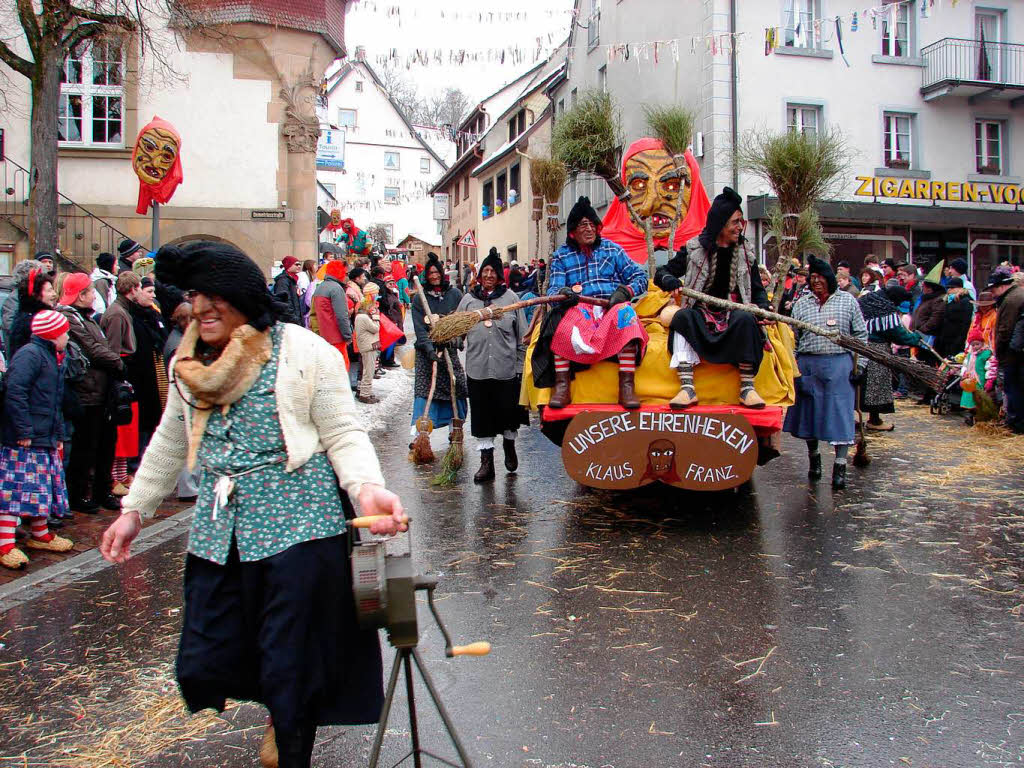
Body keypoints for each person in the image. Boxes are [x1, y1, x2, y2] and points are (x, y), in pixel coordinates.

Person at [99, 240, 406, 768]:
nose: (203, 308)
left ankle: (290, 735)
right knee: (205, 654)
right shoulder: (188, 363)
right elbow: (172, 438)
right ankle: (278, 706)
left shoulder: (303, 351)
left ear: (245, 297)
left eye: (216, 296)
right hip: (223, 530)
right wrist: (135, 510)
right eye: (196, 296)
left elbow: (342, 429)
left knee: (292, 661)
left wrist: (365, 488)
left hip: (300, 525)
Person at [655, 187, 768, 409]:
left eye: (741, 222)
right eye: (735, 222)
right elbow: (662, 272)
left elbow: (757, 288)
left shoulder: (746, 250)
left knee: (745, 319)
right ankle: (687, 388)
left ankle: (747, 388)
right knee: (683, 318)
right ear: (721, 224)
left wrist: (763, 307)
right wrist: (670, 280)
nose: (739, 227)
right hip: (701, 311)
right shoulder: (695, 248)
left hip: (734, 311)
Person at [536, 197, 648, 410]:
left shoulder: (612, 250)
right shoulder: (561, 256)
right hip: (579, 311)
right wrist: (564, 293)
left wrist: (625, 292)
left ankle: (626, 387)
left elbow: (639, 277)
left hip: (610, 308)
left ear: (598, 227)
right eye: (581, 225)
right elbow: (552, 291)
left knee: (626, 315)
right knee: (559, 323)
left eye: (591, 224)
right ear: (572, 232)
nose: (588, 229)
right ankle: (562, 385)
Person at [783, 257, 868, 490]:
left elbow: (861, 336)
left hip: (840, 365)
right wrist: (794, 364)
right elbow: (795, 338)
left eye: (820, 278)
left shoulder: (848, 301)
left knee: (840, 415)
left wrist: (860, 367)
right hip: (809, 365)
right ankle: (814, 460)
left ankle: (840, 467)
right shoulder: (802, 303)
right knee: (810, 414)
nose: (816, 282)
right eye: (812, 279)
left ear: (830, 279)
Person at [0, 310, 75, 569]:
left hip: (43, 434)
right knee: (15, 490)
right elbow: (15, 392)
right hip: (25, 437)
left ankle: (41, 535)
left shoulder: (51, 357)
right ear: (54, 335)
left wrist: (56, 435)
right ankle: (5, 544)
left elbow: (53, 401)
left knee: (42, 487)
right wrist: (23, 431)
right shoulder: (31, 355)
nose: (67, 336)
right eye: (64, 332)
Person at [457, 248, 529, 482]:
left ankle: (509, 446)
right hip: (477, 370)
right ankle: (486, 464)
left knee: (508, 415)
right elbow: (457, 331)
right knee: (482, 418)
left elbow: (522, 338)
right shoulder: (468, 300)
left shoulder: (510, 299)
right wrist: (444, 335)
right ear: (479, 275)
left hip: (506, 370)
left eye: (493, 271)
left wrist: (519, 368)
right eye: (485, 271)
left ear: (500, 276)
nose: (488, 275)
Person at [55, 273, 125, 514]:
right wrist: (117, 361)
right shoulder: (69, 317)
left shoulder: (88, 318)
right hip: (87, 390)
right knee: (87, 446)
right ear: (79, 295)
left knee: (106, 443)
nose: (94, 295)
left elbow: (101, 346)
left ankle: (101, 489)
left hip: (101, 389)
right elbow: (93, 349)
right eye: (89, 291)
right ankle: (80, 493)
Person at [410, 254, 468, 440]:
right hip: (426, 354)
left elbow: (462, 322)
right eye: (430, 273)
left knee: (456, 385)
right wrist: (428, 348)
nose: (434, 276)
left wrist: (458, 340)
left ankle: (455, 430)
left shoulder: (454, 295)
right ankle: (421, 436)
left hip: (449, 350)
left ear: (442, 274)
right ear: (426, 276)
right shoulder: (420, 299)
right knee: (425, 391)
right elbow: (420, 328)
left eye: (436, 272)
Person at [857, 287, 926, 431]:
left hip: (856, 348)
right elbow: (898, 335)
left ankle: (851, 418)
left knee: (856, 383)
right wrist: (915, 338)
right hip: (876, 351)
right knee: (875, 385)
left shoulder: (864, 301)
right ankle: (874, 420)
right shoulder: (886, 310)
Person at [102, 271, 142, 494]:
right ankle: (115, 476)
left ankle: (121, 473)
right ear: (133, 288)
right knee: (121, 427)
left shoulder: (122, 310)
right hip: (122, 371)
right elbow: (114, 348)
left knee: (127, 428)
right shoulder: (117, 314)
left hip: (127, 368)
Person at [126, 276, 169, 462]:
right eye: (149, 291)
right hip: (143, 377)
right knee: (143, 423)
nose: (153, 296)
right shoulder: (133, 317)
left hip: (157, 372)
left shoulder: (154, 314)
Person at [988, 267, 1024, 433]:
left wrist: (999, 351)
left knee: (1013, 387)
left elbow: (1005, 330)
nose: (993, 293)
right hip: (1016, 352)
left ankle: (1016, 423)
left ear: (1002, 285)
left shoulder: (1011, 300)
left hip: (1013, 355)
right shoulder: (1016, 296)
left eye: (993, 289)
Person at [311, 260, 353, 369]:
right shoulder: (336, 289)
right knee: (341, 368)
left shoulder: (320, 287)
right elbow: (341, 316)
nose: (346, 275)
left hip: (324, 336)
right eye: (345, 273)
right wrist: (348, 336)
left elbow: (314, 314)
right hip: (336, 338)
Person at [9, 268, 57, 358]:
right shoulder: (29, 322)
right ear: (36, 295)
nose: (54, 294)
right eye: (49, 290)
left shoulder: (39, 316)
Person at [960, 328, 993, 426]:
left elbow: (989, 367)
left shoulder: (986, 354)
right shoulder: (970, 355)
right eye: (973, 345)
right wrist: (964, 374)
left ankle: (979, 416)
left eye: (977, 344)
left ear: (982, 343)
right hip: (970, 380)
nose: (975, 347)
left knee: (979, 397)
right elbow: (965, 365)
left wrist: (989, 379)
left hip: (980, 380)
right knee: (969, 396)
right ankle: (970, 414)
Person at [353, 289, 381, 404]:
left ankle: (365, 392)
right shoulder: (363, 317)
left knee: (367, 370)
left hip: (366, 346)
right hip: (368, 347)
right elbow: (376, 328)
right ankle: (365, 395)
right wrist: (376, 317)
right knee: (368, 372)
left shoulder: (360, 316)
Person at [935, 277, 973, 360]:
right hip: (947, 338)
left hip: (957, 338)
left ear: (960, 288)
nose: (949, 290)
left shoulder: (966, 301)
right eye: (948, 288)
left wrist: (960, 340)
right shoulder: (951, 300)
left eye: (952, 288)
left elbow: (966, 322)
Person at [273, 256, 304, 325]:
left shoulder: (292, 280)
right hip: (289, 321)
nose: (299, 266)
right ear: (289, 265)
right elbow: (285, 301)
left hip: (294, 319)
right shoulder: (283, 281)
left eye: (300, 264)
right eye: (296, 264)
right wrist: (294, 319)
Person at [91, 252, 119, 316]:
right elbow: (104, 305)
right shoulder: (102, 282)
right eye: (116, 265)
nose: (118, 267)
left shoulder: (108, 280)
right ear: (110, 265)